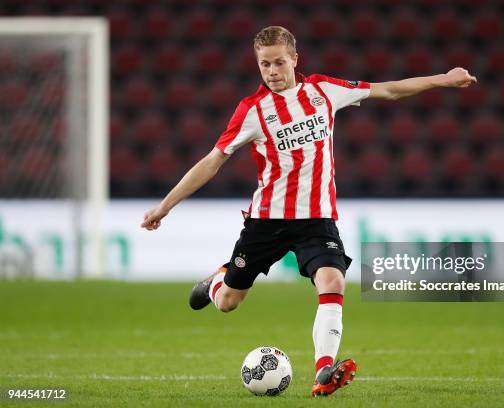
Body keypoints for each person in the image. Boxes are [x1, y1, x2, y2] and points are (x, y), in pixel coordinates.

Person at [141, 25, 476, 396]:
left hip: (317, 220)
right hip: (266, 222)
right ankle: (217, 281)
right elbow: (211, 162)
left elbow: (389, 89)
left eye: (279, 62)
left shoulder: (322, 91)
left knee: (333, 281)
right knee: (228, 304)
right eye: (264, 64)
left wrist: (443, 79)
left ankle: (323, 371)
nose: (271, 71)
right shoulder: (252, 111)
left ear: (294, 60)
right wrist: (165, 206)